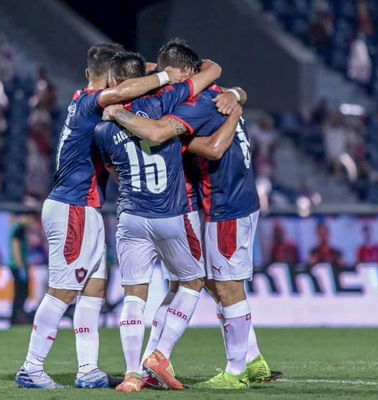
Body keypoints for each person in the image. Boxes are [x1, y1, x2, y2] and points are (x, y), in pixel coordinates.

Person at [104, 38, 281, 390]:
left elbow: (207, 147)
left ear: (187, 73)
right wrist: (238, 94)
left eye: (174, 75)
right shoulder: (214, 89)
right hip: (222, 201)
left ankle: (231, 371)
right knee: (212, 283)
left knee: (221, 285)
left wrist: (128, 117)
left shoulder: (198, 103)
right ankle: (252, 360)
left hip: (224, 204)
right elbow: (205, 67)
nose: (169, 81)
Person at [15, 43, 183, 390]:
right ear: (110, 80)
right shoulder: (94, 100)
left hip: (84, 207)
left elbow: (125, 81)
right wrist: (167, 75)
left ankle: (88, 369)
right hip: (71, 207)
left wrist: (142, 66)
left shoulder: (81, 98)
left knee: (93, 290)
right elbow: (123, 90)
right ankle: (31, 367)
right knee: (62, 291)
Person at [95, 51, 233, 391]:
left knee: (133, 295)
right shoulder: (166, 102)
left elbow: (112, 172)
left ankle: (131, 374)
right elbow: (209, 72)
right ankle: (158, 353)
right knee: (193, 281)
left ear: (114, 83)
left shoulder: (100, 128)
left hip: (130, 216)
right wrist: (166, 75)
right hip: (171, 214)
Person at [8, 213, 35, 325]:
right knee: (21, 292)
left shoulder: (17, 227)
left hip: (17, 265)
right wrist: (20, 265)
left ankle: (18, 316)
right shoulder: (19, 228)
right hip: (17, 265)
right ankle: (16, 317)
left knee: (21, 292)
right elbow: (15, 246)